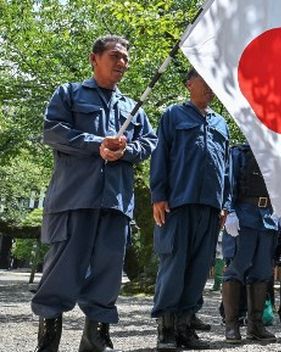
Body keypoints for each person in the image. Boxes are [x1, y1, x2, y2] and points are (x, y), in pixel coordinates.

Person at [31, 35, 157, 352]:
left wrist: (127, 149)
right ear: (94, 59)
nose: (122, 63)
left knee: (108, 270)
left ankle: (96, 337)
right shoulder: (69, 94)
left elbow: (149, 143)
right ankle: (48, 338)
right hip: (74, 199)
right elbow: (53, 132)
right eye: (115, 56)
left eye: (126, 58)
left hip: (115, 202)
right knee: (62, 269)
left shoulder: (132, 108)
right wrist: (96, 143)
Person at [149, 68, 229, 350]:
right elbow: (160, 157)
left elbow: (225, 168)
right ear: (188, 84)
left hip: (210, 207)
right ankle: (167, 330)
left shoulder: (221, 123)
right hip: (178, 204)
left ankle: (185, 327)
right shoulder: (173, 115)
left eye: (213, 83)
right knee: (174, 266)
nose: (209, 87)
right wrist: (158, 195)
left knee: (198, 269)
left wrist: (225, 204)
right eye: (204, 81)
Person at [222, 144, 281, 344]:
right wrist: (229, 211)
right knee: (236, 270)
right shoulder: (239, 153)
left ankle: (255, 325)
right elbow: (228, 182)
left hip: (268, 218)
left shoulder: (276, 154)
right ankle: (232, 325)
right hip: (244, 217)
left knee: (262, 272)